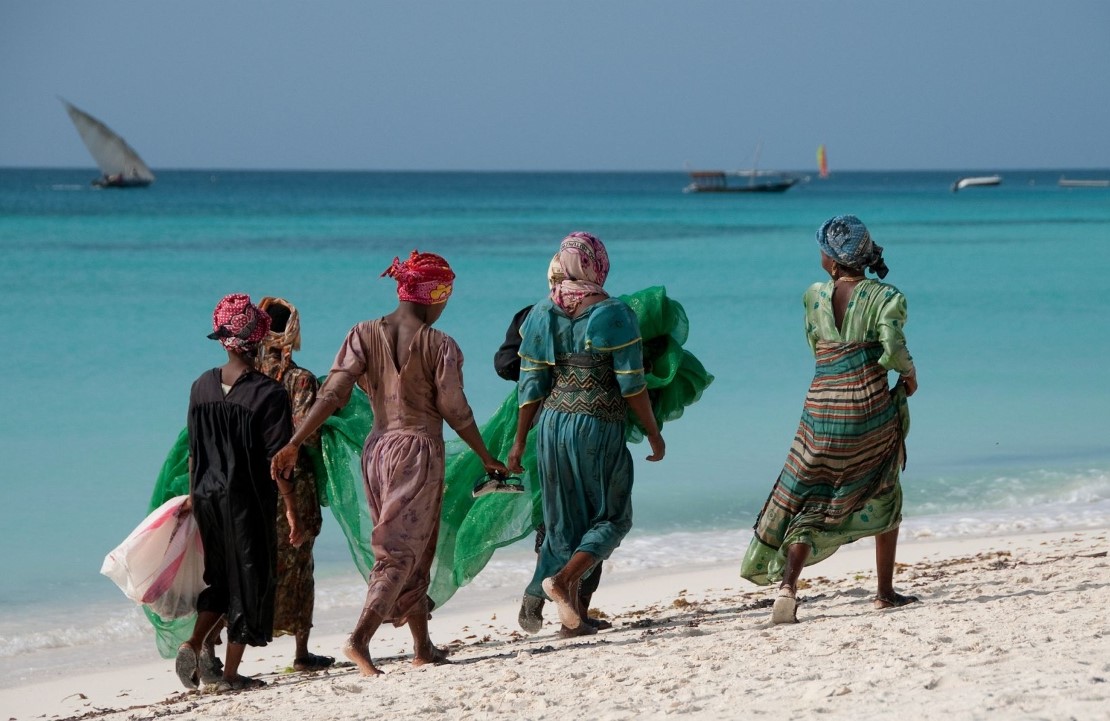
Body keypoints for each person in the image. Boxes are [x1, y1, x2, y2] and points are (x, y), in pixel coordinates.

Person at [270, 250, 508, 676]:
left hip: (377, 450)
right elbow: (455, 410)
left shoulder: (361, 334)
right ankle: (360, 639)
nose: (444, 307)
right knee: (400, 552)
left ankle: (423, 645)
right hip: (418, 449)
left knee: (414, 545)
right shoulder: (441, 345)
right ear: (434, 294)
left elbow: (333, 394)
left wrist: (294, 442)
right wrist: (486, 456)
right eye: (444, 298)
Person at [740, 215, 919, 624]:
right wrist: (908, 374)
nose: (819, 254)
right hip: (867, 406)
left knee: (812, 496)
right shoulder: (887, 296)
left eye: (822, 248)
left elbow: (815, 346)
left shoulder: (813, 297)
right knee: (884, 486)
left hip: (820, 407)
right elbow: (892, 347)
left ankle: (787, 586)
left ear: (835, 259)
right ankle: (885, 593)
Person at [508, 232, 666, 638]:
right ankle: (556, 584)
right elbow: (632, 385)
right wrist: (653, 433)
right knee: (612, 517)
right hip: (597, 424)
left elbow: (530, 386)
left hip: (551, 425)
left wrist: (520, 441)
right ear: (597, 264)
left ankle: (569, 614)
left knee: (563, 523)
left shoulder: (541, 313)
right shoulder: (615, 313)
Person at [175, 294, 304, 692]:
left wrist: (194, 498)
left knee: (219, 579)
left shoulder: (201, 386)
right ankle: (229, 675)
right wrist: (291, 509)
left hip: (207, 497)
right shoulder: (268, 394)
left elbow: (194, 451)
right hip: (247, 501)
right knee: (251, 581)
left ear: (223, 340)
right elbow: (278, 463)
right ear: (259, 341)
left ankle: (194, 642)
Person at [496, 305, 611, 634]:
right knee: (597, 514)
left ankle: (545, 596)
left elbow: (505, 364)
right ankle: (572, 609)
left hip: (544, 426)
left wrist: (541, 371)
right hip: (593, 426)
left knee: (555, 517)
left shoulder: (533, 315)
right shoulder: (602, 313)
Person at [255, 296, 335, 672]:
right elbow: (307, 435)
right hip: (293, 483)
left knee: (249, 560)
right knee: (299, 563)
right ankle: (301, 652)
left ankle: (221, 647)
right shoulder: (300, 379)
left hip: (249, 483)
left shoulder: (242, 376)